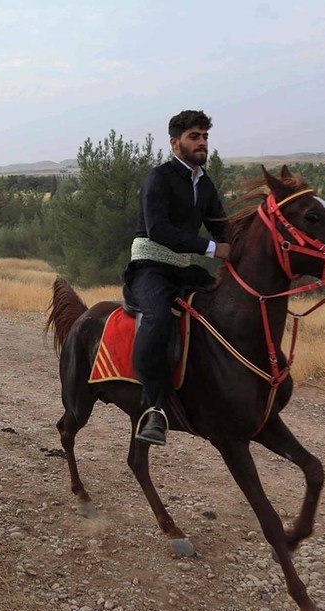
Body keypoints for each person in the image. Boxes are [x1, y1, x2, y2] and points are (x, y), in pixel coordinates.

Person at [126, 109, 231, 446]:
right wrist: (214, 249)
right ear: (175, 143)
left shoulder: (205, 183)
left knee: (227, 306)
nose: (202, 143)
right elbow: (159, 230)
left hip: (184, 268)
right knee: (158, 318)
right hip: (150, 266)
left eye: (205, 137)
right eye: (194, 137)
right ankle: (154, 407)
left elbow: (222, 227)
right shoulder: (158, 179)